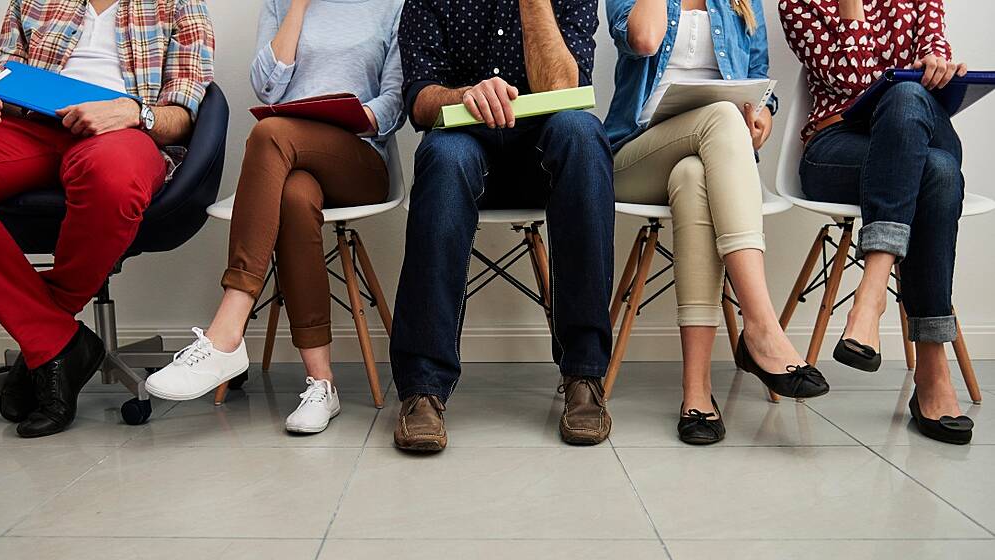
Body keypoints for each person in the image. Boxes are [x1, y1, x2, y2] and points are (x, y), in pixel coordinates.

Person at [0, 0, 214, 438]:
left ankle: (46, 338)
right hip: (30, 130)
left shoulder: (179, 4)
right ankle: (58, 339)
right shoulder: (31, 2)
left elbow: (183, 114)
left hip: (123, 135)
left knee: (111, 175)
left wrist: (132, 112)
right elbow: (4, 81)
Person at [145, 0, 405, 434]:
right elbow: (267, 87)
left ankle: (228, 328)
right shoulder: (280, 4)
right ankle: (322, 384)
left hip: (359, 159)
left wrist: (352, 115)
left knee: (269, 133)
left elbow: (396, 102)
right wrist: (298, 6)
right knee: (294, 195)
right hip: (290, 159)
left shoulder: (391, 5)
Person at [389, 0, 615, 452]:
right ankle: (423, 389)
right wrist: (463, 95)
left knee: (584, 134)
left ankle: (583, 376)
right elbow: (418, 99)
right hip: (465, 149)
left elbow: (564, 86)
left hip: (544, 160)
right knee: (441, 153)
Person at [605, 0, 830, 445]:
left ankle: (696, 393)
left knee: (692, 177)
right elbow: (644, 39)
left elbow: (761, 82)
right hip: (634, 156)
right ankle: (762, 326)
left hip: (708, 158)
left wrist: (762, 117)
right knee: (723, 117)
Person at [779, 0, 974, 444]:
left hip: (915, 130)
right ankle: (932, 368)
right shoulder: (798, 4)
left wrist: (939, 69)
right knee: (939, 173)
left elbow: (933, 51)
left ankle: (872, 294)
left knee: (908, 96)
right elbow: (854, 81)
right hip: (835, 148)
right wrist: (850, 8)